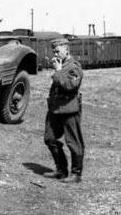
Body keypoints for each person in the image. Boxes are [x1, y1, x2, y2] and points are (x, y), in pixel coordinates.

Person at [43, 38, 85, 183]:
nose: (55, 54)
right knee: (50, 138)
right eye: (54, 51)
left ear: (66, 49)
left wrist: (58, 71)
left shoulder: (74, 67)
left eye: (58, 51)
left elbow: (69, 86)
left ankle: (76, 174)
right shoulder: (60, 65)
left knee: (73, 142)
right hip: (55, 109)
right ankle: (61, 170)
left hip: (70, 109)